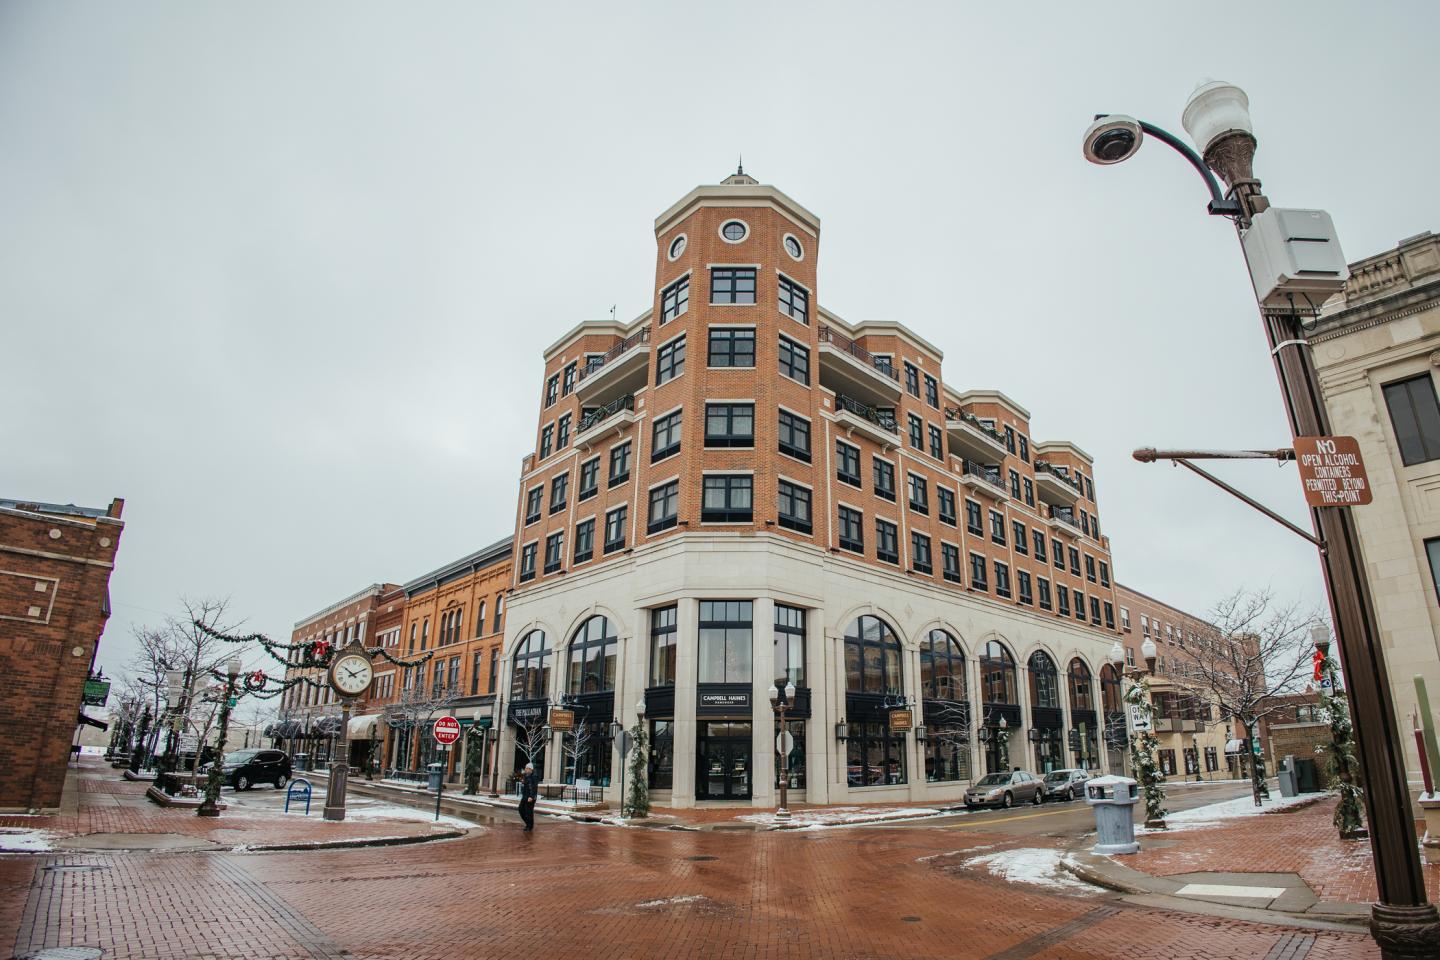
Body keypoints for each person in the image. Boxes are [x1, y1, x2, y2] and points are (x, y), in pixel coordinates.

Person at [518, 763, 538, 831]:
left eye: (527, 768)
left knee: (528, 812)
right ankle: (528, 824)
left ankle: (529, 826)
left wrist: (531, 797)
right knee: (520, 809)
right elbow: (525, 786)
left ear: (530, 769)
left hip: (530, 797)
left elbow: (534, 788)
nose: (525, 769)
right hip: (524, 796)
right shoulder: (526, 776)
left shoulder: (534, 777)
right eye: (525, 768)